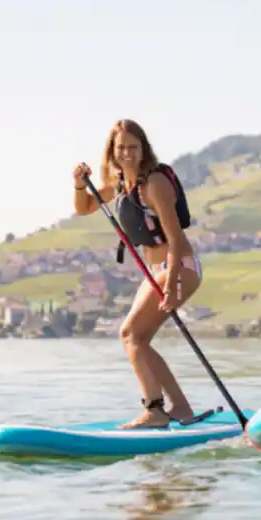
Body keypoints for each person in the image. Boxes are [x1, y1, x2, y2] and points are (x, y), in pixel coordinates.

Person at [71, 119, 203, 429]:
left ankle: (155, 411)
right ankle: (180, 407)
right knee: (138, 340)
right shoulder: (119, 182)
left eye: (133, 147)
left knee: (130, 334)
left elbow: (177, 240)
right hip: (156, 271)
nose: (128, 153)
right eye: (121, 148)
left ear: (143, 149)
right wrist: (79, 183)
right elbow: (84, 206)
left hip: (179, 267)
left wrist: (170, 286)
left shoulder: (154, 183)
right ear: (112, 152)